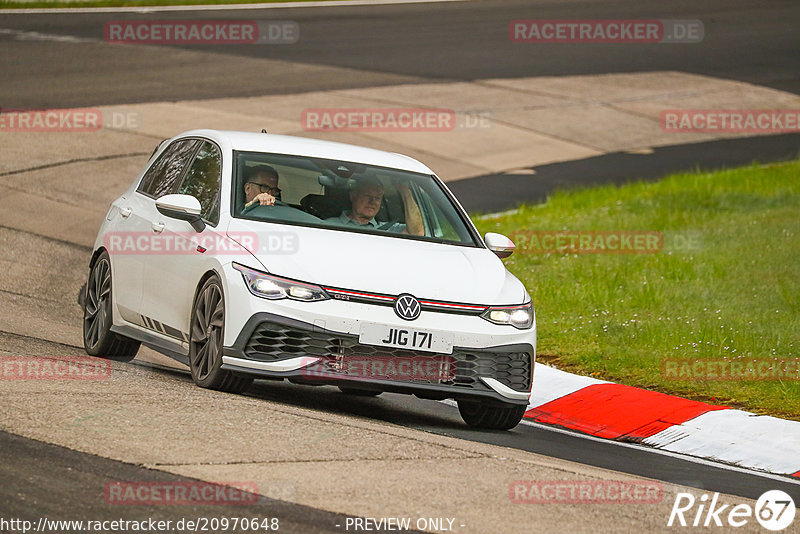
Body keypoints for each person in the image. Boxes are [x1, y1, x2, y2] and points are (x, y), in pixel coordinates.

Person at [326, 178, 424, 236]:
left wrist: (405, 191)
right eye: (367, 196)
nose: (372, 202)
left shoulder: (390, 229)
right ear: (353, 196)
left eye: (377, 198)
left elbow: (417, 232)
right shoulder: (328, 225)